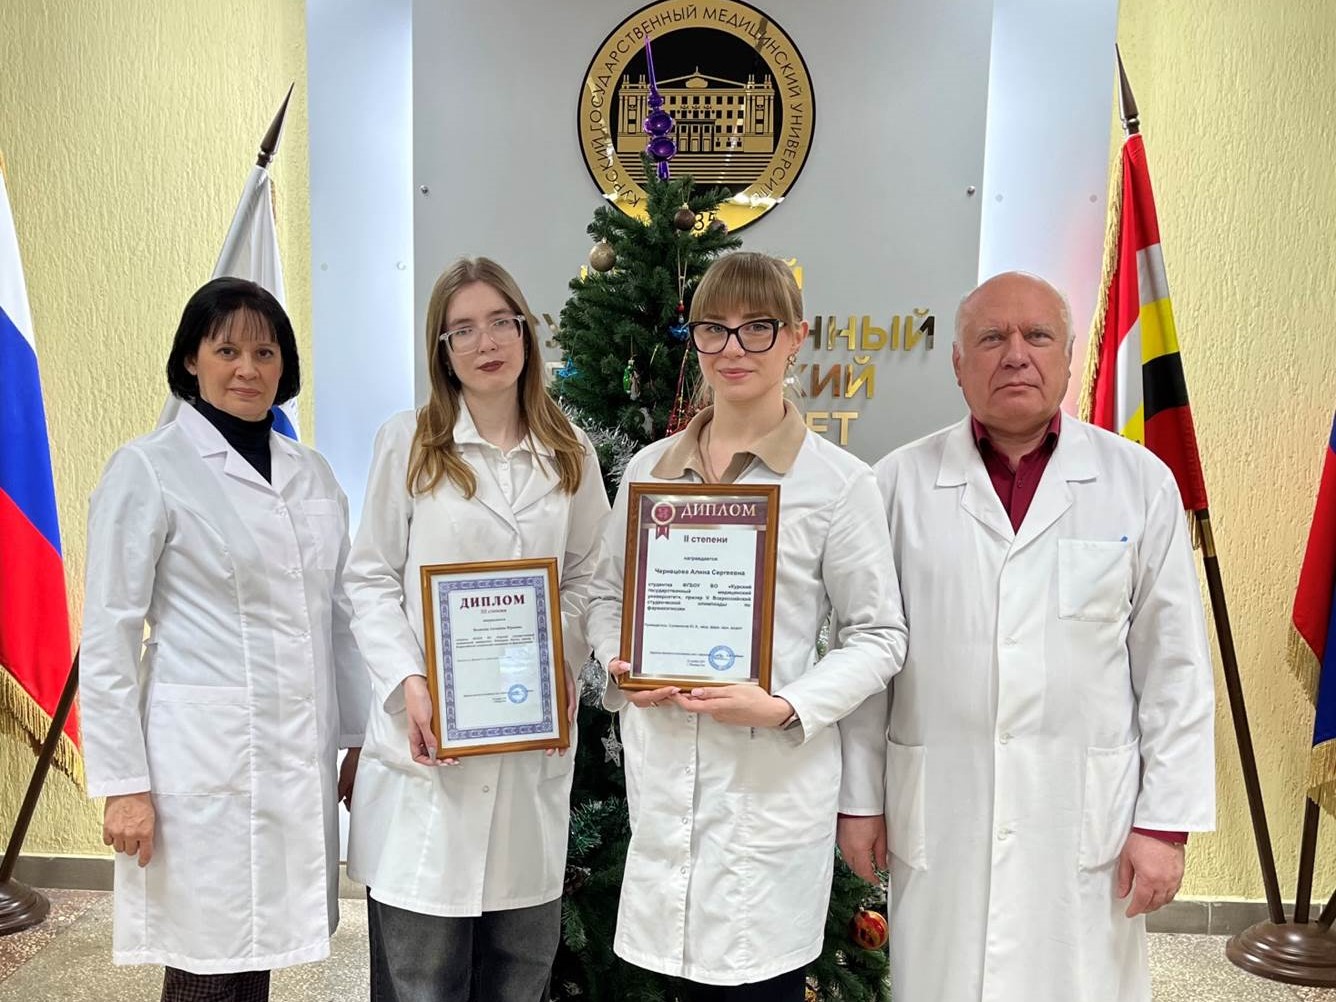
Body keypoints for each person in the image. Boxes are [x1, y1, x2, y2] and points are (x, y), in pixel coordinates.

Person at [838, 271, 1215, 1002]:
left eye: (1037, 335)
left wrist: (1165, 824)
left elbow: (1174, 668)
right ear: (957, 363)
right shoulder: (895, 485)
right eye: (991, 338)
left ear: (1068, 357)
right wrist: (859, 799)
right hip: (942, 810)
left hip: (1084, 818)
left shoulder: (1139, 483)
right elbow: (867, 659)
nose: (1016, 354)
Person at [584, 251, 908, 1000]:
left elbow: (879, 635)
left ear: (795, 337)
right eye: (714, 328)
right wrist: (620, 658)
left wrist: (787, 705)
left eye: (757, 327)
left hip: (769, 791)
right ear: (694, 339)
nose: (733, 348)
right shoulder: (649, 473)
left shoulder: (838, 484)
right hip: (666, 786)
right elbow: (604, 598)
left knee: (757, 983)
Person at [80, 277, 368, 1002]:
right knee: (206, 960)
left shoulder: (311, 473)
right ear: (191, 360)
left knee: (255, 952)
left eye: (265, 352)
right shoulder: (149, 467)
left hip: (293, 756)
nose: (248, 368)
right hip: (199, 759)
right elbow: (109, 632)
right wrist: (123, 786)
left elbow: (341, 614)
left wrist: (361, 739)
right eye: (227, 350)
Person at [343, 257, 609, 1002]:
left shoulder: (571, 450)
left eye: (500, 322)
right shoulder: (408, 441)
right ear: (442, 349)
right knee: (421, 978)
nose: (486, 342)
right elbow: (369, 578)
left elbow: (591, 574)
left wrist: (560, 657)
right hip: (429, 750)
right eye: (463, 329)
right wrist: (410, 681)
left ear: (525, 331)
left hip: (527, 743)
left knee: (519, 971)